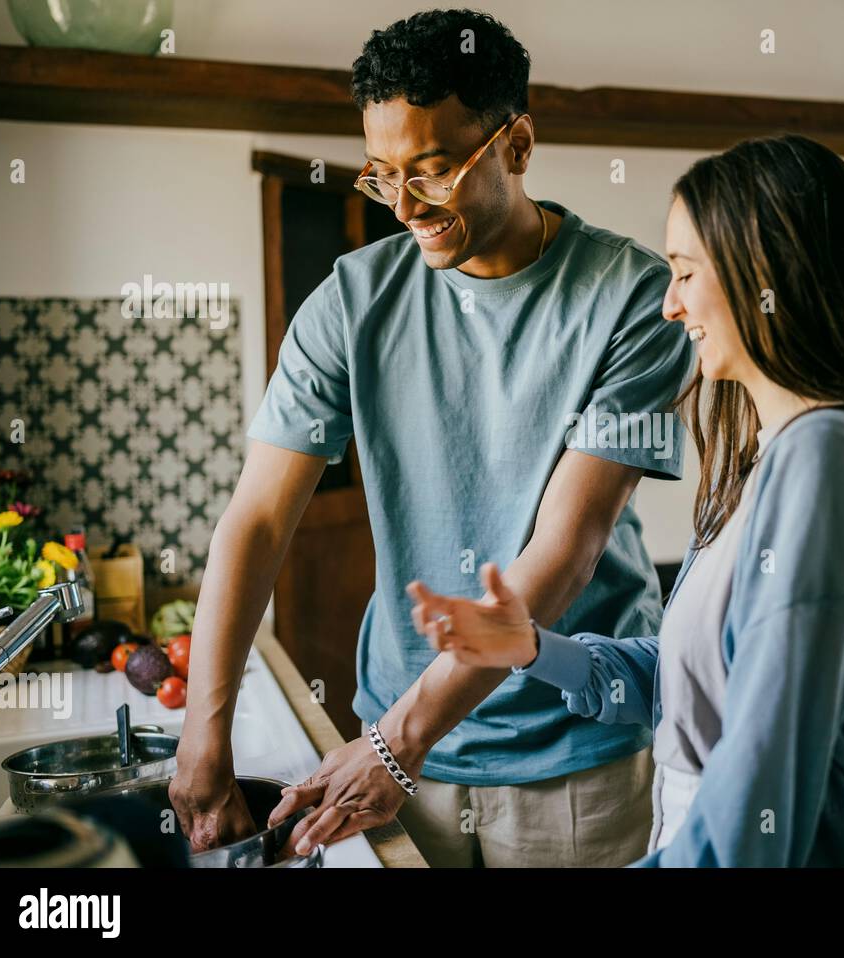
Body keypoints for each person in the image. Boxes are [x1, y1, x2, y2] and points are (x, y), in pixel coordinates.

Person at [170, 9, 692, 868]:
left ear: (516, 146)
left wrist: (395, 745)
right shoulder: (350, 302)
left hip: (575, 758)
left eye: (435, 170)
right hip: (399, 742)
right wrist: (204, 726)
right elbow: (258, 520)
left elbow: (563, 557)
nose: (405, 207)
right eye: (382, 177)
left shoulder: (634, 299)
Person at [408, 135, 844, 866]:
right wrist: (531, 648)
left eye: (683, 274)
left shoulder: (828, 462)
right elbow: (698, 679)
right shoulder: (777, 455)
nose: (670, 306)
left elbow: (757, 791)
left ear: (763, 275)